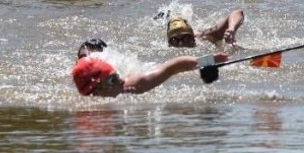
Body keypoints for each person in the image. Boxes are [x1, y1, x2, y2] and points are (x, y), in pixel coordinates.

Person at [72, 50, 230, 97]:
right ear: (97, 90)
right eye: (112, 80)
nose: (119, 81)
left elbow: (173, 66)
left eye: (116, 76)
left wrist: (206, 61)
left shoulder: (135, 85)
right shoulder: (87, 106)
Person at [164, 9, 245, 48]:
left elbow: (238, 12)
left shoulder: (204, 37)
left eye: (186, 38)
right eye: (175, 40)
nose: (181, 44)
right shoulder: (169, 47)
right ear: (169, 42)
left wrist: (231, 29)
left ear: (192, 36)